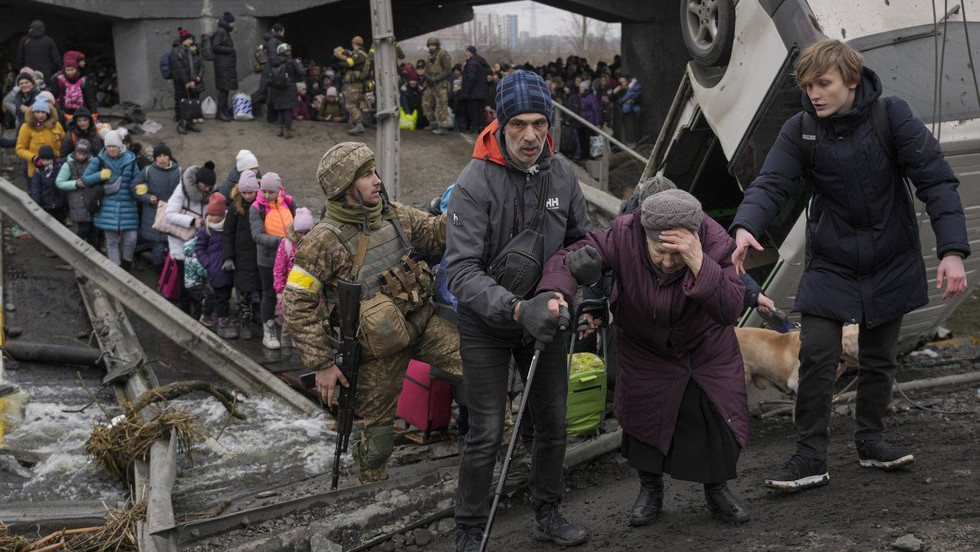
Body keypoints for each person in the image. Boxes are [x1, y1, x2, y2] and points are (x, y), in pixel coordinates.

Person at [729, 39, 970, 492]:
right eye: (808, 86)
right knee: (817, 353)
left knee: (878, 358)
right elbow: (773, 181)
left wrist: (952, 251)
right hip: (832, 262)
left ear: (852, 81)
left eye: (823, 84)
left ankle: (872, 440)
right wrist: (746, 226)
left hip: (890, 256)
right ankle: (809, 456)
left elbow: (936, 180)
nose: (814, 94)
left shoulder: (892, 116)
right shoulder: (800, 129)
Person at [541, 189, 751, 527]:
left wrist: (700, 262)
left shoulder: (714, 241)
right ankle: (650, 490)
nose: (668, 263)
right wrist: (556, 291)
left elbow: (730, 308)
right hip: (643, 344)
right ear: (645, 236)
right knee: (643, 418)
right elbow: (570, 257)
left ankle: (717, 490)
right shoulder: (624, 234)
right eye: (659, 253)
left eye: (677, 255)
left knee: (714, 417)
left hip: (704, 346)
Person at [444, 70, 591, 551]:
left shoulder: (563, 173)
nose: (531, 136)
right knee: (485, 430)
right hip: (488, 322)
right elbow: (460, 273)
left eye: (540, 123)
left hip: (546, 314)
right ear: (499, 123)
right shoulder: (474, 181)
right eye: (518, 125)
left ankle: (548, 511)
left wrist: (573, 287)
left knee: (552, 424)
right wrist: (514, 309)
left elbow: (578, 242)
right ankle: (468, 528)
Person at [283, 141, 460, 484]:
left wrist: (467, 206)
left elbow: (436, 235)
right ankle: (371, 494)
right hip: (376, 351)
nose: (377, 180)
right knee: (378, 441)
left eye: (374, 171)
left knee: (483, 369)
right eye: (366, 175)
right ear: (344, 187)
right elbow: (297, 303)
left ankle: (503, 456)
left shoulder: (395, 215)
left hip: (423, 324)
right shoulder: (322, 241)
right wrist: (322, 364)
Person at [164, 161, 217, 313]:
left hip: (197, 243)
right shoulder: (182, 189)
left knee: (197, 278)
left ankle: (198, 312)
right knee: (184, 278)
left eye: (209, 187)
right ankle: (185, 311)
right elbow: (169, 215)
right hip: (180, 241)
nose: (207, 189)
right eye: (204, 186)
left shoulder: (208, 194)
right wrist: (192, 221)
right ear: (197, 182)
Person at [82, 130, 140, 269]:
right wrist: (100, 175)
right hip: (107, 206)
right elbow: (85, 179)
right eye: (108, 146)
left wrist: (141, 188)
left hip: (128, 205)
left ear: (120, 146)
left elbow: (138, 179)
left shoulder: (131, 161)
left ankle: (126, 264)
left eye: (114, 146)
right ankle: (116, 269)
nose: (111, 149)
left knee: (131, 239)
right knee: (111, 241)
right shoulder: (99, 160)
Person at [250, 172, 295, 349]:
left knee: (292, 294)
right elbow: (257, 235)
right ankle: (268, 330)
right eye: (264, 191)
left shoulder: (289, 202)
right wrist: (282, 241)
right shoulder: (257, 208)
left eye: (271, 192)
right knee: (269, 293)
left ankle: (290, 332)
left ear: (279, 190)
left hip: (290, 258)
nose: (267, 195)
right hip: (267, 259)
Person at [223, 170, 262, 339]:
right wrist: (228, 256)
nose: (247, 196)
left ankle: (258, 318)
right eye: (244, 192)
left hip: (259, 254)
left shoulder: (262, 206)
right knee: (244, 292)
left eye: (250, 192)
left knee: (260, 289)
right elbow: (228, 233)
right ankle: (245, 321)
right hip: (242, 256)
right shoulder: (234, 208)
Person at [132, 142, 181, 270]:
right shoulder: (148, 170)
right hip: (152, 214)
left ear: (169, 157)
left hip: (171, 213)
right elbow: (134, 186)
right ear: (155, 158)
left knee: (167, 243)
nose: (162, 158)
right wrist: (147, 198)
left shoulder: (179, 172)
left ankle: (165, 270)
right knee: (158, 243)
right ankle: (160, 270)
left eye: (165, 155)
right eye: (159, 156)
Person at [196, 193, 237, 338]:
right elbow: (199, 249)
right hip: (215, 269)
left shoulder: (228, 227)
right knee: (221, 297)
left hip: (227, 268)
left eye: (215, 215)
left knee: (220, 295)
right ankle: (222, 320)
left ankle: (207, 315)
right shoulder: (205, 231)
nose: (211, 218)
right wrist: (208, 263)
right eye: (209, 214)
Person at [272, 206, 314, 351]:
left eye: (307, 232)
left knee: (304, 318)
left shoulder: (315, 245)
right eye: (300, 233)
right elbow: (279, 269)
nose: (304, 236)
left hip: (308, 289)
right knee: (287, 319)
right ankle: (286, 342)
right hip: (289, 290)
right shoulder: (287, 244)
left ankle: (299, 342)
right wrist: (279, 290)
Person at [55, 138, 100, 247]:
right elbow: (59, 182)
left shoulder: (94, 163)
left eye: (84, 153)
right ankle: (76, 251)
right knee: (83, 230)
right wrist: (75, 184)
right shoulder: (68, 165)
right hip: (77, 202)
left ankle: (94, 254)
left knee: (94, 231)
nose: (81, 156)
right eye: (79, 153)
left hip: (92, 201)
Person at [16, 98, 65, 180]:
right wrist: (34, 158)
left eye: (43, 112)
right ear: (33, 113)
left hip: (56, 169)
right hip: (36, 171)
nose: (40, 115)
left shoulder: (56, 125)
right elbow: (20, 149)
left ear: (48, 113)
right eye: (37, 112)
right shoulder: (26, 127)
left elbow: (64, 143)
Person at [334, 35, 371, 135]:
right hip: (359, 83)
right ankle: (354, 124)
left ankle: (359, 124)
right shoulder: (364, 54)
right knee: (355, 104)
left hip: (355, 84)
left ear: (354, 43)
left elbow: (347, 64)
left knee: (350, 104)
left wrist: (339, 56)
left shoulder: (357, 54)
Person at [268, 43, 303, 139]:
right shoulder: (291, 62)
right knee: (288, 110)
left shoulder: (274, 62)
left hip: (277, 88)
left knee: (280, 109)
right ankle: (288, 132)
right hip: (289, 87)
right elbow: (301, 72)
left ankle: (280, 130)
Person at [170, 28, 201, 135]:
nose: (191, 42)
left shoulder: (186, 50)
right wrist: (186, 81)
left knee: (190, 101)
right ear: (183, 40)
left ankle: (190, 123)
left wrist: (192, 80)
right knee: (182, 102)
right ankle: (181, 124)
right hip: (180, 82)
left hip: (189, 82)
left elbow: (192, 67)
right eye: (189, 39)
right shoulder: (176, 51)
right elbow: (179, 68)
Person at [54, 51, 97, 121]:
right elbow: (57, 95)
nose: (70, 72)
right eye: (68, 70)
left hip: (82, 110)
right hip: (66, 111)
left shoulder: (83, 79)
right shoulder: (59, 79)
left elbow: (90, 97)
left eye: (72, 70)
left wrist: (94, 112)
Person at [421, 37, 452, 135]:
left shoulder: (443, 54)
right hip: (430, 83)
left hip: (440, 84)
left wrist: (436, 78)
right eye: (430, 45)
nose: (431, 47)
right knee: (426, 104)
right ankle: (433, 122)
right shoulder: (429, 57)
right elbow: (426, 69)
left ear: (437, 45)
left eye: (433, 45)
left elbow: (448, 70)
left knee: (441, 105)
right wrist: (427, 76)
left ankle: (443, 126)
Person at [29, 144, 67, 223]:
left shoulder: (59, 167)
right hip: (46, 205)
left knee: (60, 224)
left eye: (48, 159)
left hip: (59, 205)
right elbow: (36, 188)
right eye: (43, 160)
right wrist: (37, 203)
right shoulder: (39, 171)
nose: (45, 162)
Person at [211, 11, 238, 122]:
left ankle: (224, 111)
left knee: (225, 89)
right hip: (222, 66)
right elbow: (215, 46)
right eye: (232, 22)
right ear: (228, 22)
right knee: (223, 89)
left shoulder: (225, 32)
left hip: (226, 65)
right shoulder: (220, 31)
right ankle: (220, 113)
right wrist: (230, 50)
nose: (234, 24)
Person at [459, 45, 490, 134]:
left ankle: (475, 127)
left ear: (470, 52)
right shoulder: (481, 62)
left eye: (467, 52)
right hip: (482, 91)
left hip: (473, 92)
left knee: (473, 111)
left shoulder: (472, 63)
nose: (466, 54)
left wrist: (466, 91)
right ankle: (481, 127)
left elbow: (471, 78)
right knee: (480, 110)